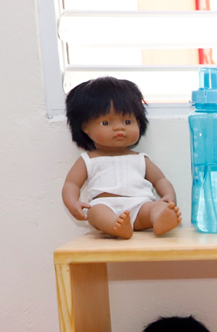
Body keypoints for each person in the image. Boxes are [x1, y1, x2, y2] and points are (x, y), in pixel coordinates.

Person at [61, 77, 182, 239]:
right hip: (104, 205)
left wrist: (168, 197)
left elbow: (160, 180)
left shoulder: (140, 159)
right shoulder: (88, 160)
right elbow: (71, 184)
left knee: (154, 207)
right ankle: (114, 226)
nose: (119, 128)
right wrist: (73, 203)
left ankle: (160, 218)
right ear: (85, 127)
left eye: (127, 121)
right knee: (95, 212)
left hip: (140, 204)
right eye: (105, 123)